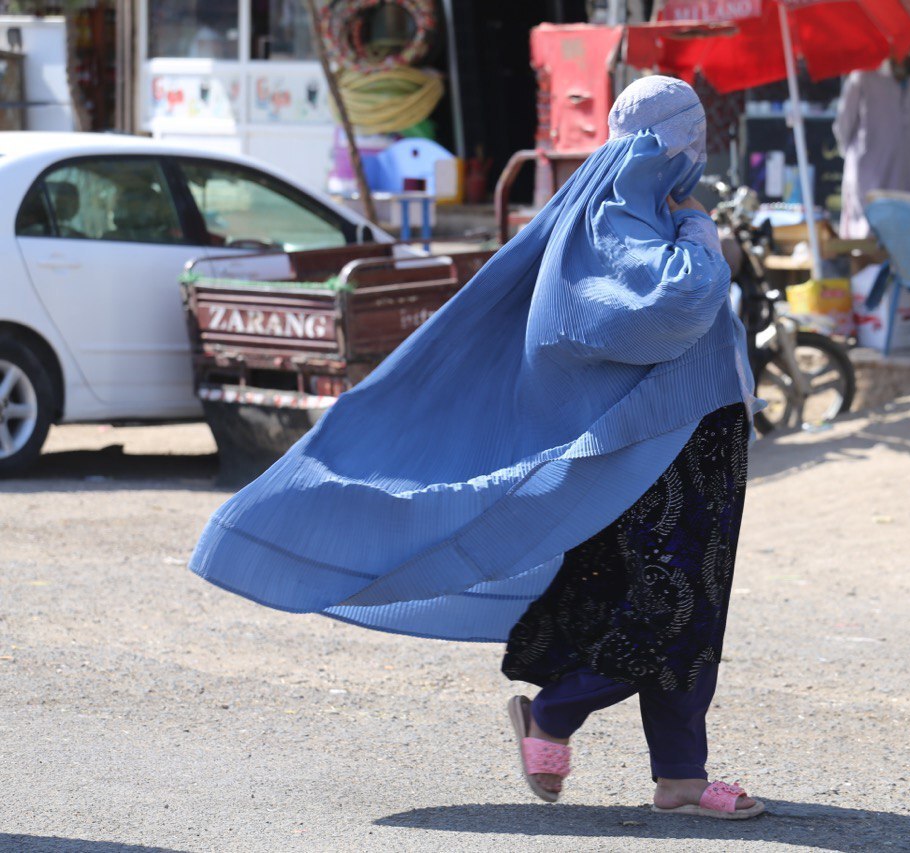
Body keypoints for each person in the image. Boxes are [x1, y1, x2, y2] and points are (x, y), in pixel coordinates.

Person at [188, 75, 765, 820]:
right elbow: (674, 303)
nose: (701, 153)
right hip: (655, 450)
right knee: (673, 606)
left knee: (688, 604)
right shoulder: (621, 216)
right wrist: (700, 233)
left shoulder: (644, 207)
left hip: (698, 439)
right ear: (677, 141)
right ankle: (554, 715)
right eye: (695, 137)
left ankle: (682, 776)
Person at [833, 56, 910, 239]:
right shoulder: (863, 76)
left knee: (908, 238)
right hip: (869, 177)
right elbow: (843, 127)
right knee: (865, 239)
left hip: (908, 179)